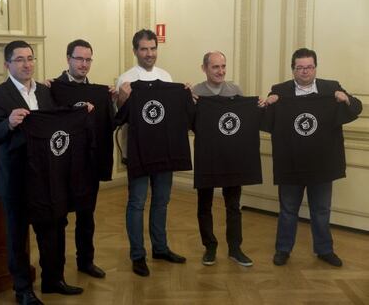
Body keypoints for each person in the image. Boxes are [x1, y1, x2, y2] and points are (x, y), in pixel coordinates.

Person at [0, 40, 83, 305]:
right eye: (20, 60)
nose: (27, 64)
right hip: (15, 181)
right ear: (7, 64)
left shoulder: (45, 92)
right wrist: (8, 123)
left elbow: (55, 124)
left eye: (30, 58)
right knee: (17, 237)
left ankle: (53, 279)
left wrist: (80, 111)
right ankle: (23, 290)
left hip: (46, 178)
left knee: (53, 229)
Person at [265, 48, 362, 267]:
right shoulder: (280, 91)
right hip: (291, 164)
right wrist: (268, 103)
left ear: (315, 67)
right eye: (300, 67)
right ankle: (283, 249)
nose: (305, 71)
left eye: (309, 67)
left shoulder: (331, 88)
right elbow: (262, 117)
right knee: (288, 210)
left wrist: (345, 98)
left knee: (321, 210)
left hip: (322, 164)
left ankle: (325, 250)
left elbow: (356, 108)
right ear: (293, 70)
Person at [116, 29, 186, 277]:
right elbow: (120, 117)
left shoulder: (166, 77)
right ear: (135, 51)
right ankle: (137, 255)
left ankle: (160, 247)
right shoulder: (125, 80)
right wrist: (122, 99)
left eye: (153, 48)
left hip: (164, 150)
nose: (149, 54)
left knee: (161, 202)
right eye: (144, 49)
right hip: (138, 151)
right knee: (136, 203)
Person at [49, 39, 111, 279]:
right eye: (79, 59)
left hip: (89, 164)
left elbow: (112, 122)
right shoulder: (52, 89)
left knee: (87, 217)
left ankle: (86, 261)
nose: (84, 64)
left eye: (88, 59)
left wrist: (114, 100)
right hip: (62, 165)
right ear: (68, 59)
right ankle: (57, 269)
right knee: (59, 219)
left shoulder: (99, 92)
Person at [192, 51, 255, 267]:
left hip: (232, 157)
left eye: (223, 66)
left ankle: (235, 248)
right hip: (207, 156)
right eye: (215, 67)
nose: (221, 71)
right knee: (204, 205)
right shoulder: (196, 92)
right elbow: (191, 123)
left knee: (233, 205)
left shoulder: (234, 90)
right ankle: (209, 247)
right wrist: (188, 102)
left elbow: (243, 119)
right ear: (204, 68)